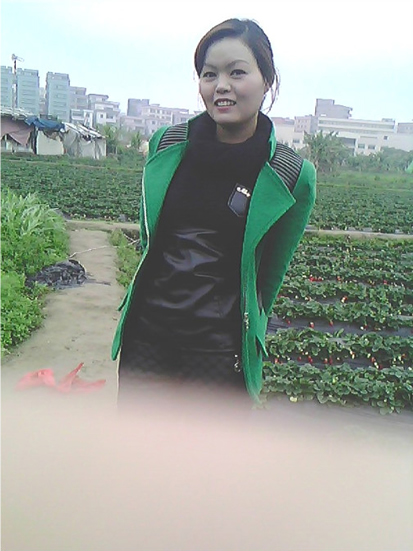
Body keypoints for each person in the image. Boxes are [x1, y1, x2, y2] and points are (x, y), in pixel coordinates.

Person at [112, 18, 316, 405]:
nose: (221, 85)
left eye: (237, 72)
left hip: (220, 355)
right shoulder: (167, 145)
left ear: (267, 80)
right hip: (146, 343)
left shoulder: (290, 173)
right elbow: (149, 240)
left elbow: (267, 280)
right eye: (209, 74)